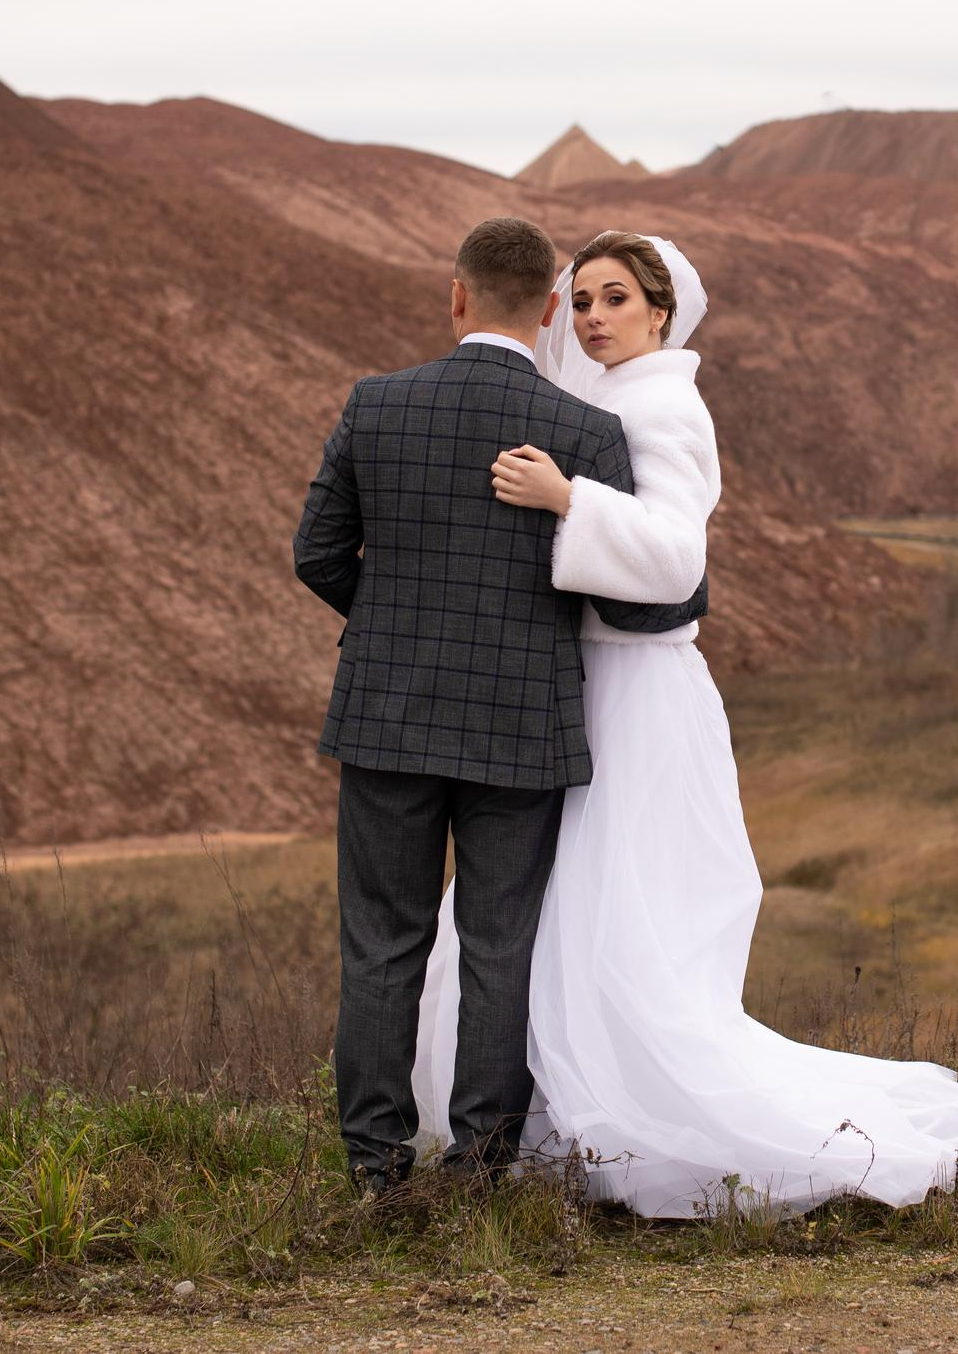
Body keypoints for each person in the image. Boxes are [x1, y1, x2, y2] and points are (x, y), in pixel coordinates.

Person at [410, 229, 958, 1218]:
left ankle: (630, 1122)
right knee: (562, 914)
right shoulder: (607, 394)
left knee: (622, 913)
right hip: (586, 681)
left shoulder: (662, 403)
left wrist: (566, 500)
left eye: (615, 300)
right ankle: (552, 1116)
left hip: (636, 690)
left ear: (661, 312)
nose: (593, 316)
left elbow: (675, 558)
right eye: (581, 300)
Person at [292, 215, 706, 1193]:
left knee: (381, 944)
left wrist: (392, 624)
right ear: (554, 305)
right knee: (499, 945)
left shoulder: (377, 404)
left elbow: (315, 552)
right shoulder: (585, 431)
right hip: (521, 725)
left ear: (456, 294)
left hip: (388, 715)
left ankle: (374, 1173)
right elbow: (610, 590)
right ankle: (482, 1168)